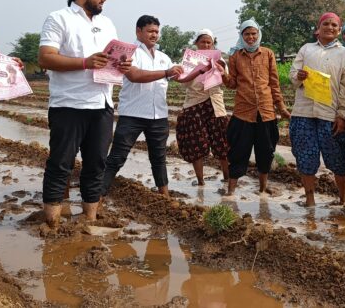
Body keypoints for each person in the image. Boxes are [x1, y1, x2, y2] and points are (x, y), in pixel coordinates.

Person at [38, 0, 131, 228]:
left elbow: (110, 62)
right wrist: (85, 62)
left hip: (102, 104)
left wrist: (122, 64)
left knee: (96, 164)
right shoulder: (59, 19)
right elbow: (46, 58)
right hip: (69, 104)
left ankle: (89, 219)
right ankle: (52, 223)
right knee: (61, 163)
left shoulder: (108, 25)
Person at [102, 15, 183, 198]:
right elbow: (135, 75)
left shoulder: (163, 57)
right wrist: (166, 72)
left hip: (158, 115)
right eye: (150, 31)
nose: (154, 35)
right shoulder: (129, 53)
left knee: (159, 159)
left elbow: (178, 77)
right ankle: (97, 196)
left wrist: (200, 69)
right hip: (133, 114)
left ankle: (165, 196)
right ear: (138, 31)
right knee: (117, 157)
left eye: (156, 31)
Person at [289, 13, 345, 206]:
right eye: (326, 24)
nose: (330, 27)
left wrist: (342, 114)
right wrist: (299, 76)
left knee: (338, 159)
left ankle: (342, 199)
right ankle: (310, 200)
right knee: (306, 158)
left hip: (329, 114)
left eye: (334, 25)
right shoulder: (306, 49)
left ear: (339, 30)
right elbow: (292, 76)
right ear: (319, 27)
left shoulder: (344, 54)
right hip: (304, 112)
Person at [222, 19, 290, 196]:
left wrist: (281, 107)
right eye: (247, 34)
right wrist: (223, 75)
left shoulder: (268, 54)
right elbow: (232, 84)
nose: (251, 37)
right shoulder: (235, 56)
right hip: (243, 113)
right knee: (238, 152)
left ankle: (262, 188)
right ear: (242, 36)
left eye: (254, 34)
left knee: (266, 152)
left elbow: (274, 83)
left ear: (258, 34)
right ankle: (230, 191)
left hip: (266, 112)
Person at [175, 29, 229, 185]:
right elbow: (184, 83)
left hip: (216, 106)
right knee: (196, 145)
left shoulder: (221, 61)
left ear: (213, 45)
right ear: (196, 44)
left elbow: (228, 83)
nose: (206, 44)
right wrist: (196, 70)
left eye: (209, 42)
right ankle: (200, 181)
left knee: (223, 144)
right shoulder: (188, 61)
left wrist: (221, 72)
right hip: (194, 105)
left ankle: (227, 178)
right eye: (202, 42)